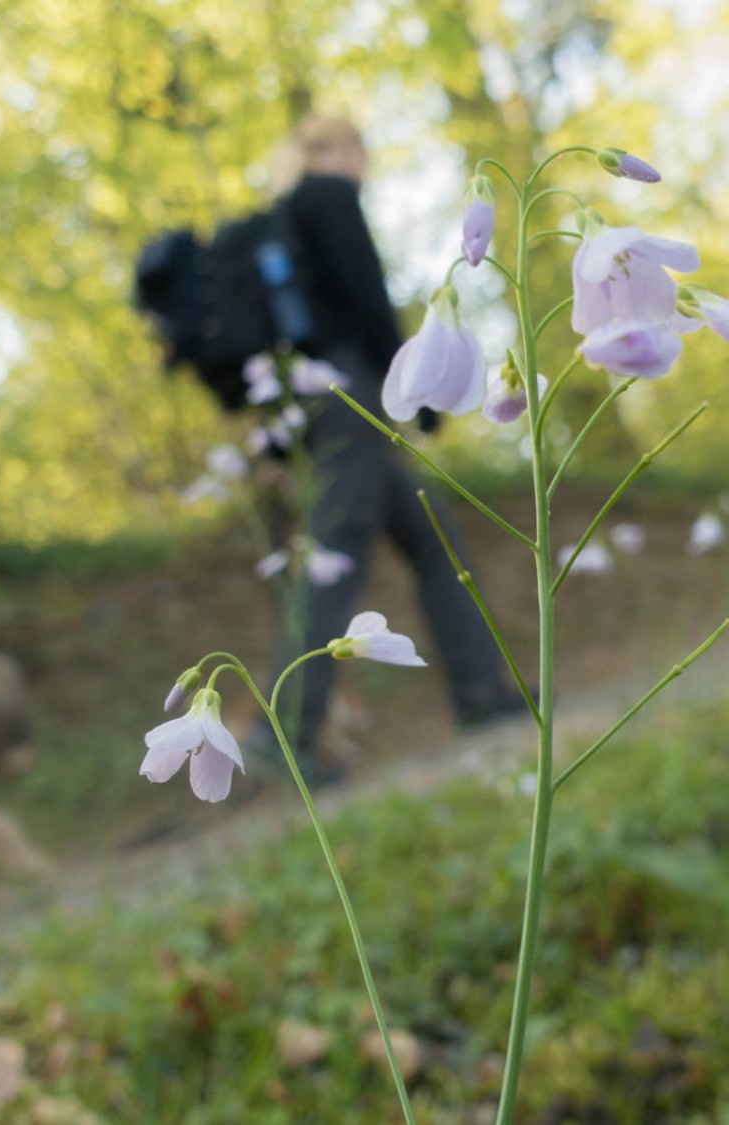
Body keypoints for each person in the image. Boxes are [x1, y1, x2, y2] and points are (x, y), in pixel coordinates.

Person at [253, 115, 522, 786]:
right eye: (362, 149)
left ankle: (483, 692)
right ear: (343, 148)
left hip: (319, 403)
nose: (365, 164)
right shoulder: (329, 197)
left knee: (434, 541)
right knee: (336, 559)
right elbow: (368, 297)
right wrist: (423, 392)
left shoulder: (276, 221)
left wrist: (284, 442)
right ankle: (280, 735)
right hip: (353, 397)